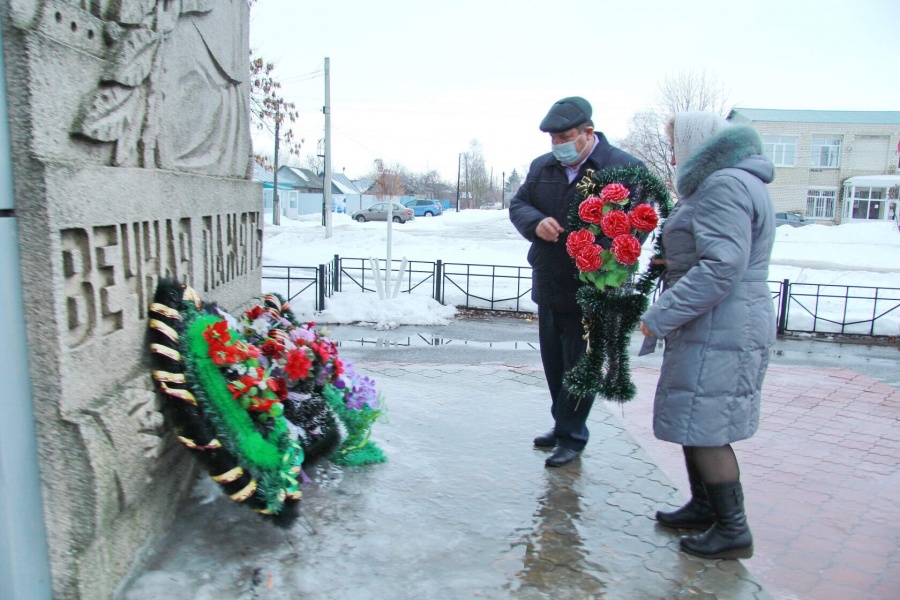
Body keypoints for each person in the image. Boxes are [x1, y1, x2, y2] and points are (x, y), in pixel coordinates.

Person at [639, 111, 776, 559]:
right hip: (719, 320)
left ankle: (733, 530)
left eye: (677, 143)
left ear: (699, 143)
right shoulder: (729, 182)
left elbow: (722, 267)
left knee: (708, 427)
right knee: (697, 416)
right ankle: (705, 508)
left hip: (722, 321)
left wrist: (660, 315)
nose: (675, 153)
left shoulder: (723, 185)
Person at [509, 97, 644, 468]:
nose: (558, 145)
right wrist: (535, 222)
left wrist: (591, 251)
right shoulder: (543, 167)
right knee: (554, 360)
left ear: (588, 132)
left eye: (565, 137)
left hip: (594, 287)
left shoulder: (624, 169)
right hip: (550, 281)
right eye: (553, 139)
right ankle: (562, 423)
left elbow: (633, 228)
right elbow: (518, 204)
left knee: (580, 363)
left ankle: (572, 436)